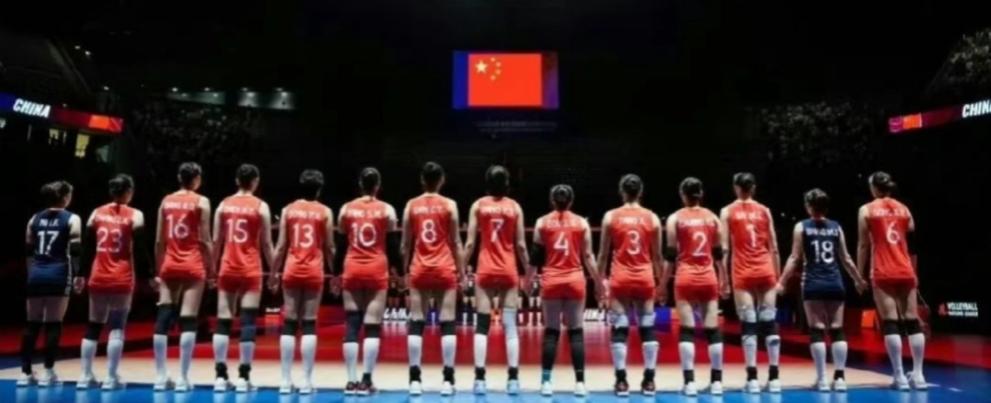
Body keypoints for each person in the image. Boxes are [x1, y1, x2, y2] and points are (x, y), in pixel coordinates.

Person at [778, 189, 868, 391]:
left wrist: (782, 282)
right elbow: (846, 259)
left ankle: (822, 379)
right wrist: (858, 280)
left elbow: (794, 258)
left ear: (809, 206)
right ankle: (840, 378)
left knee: (816, 330)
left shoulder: (801, 227)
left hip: (813, 284)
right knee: (837, 329)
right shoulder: (836, 227)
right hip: (835, 283)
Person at [77, 174, 152, 390]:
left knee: (93, 325)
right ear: (128, 191)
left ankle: (85, 376)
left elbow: (87, 248)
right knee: (117, 327)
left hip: (98, 276)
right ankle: (111, 377)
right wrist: (149, 275)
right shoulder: (135, 215)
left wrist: (80, 274)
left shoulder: (96, 213)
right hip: (121, 277)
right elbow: (140, 249)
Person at [463, 165, 531, 395]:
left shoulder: (478, 205)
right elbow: (521, 245)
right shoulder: (514, 207)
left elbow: (470, 243)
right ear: (507, 183)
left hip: (485, 270)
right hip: (508, 270)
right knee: (510, 326)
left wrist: (461, 269)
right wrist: (529, 271)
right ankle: (513, 379)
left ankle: (480, 379)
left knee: (482, 326)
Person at [597, 174, 665, 397]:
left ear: (622, 192)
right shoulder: (652, 218)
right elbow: (657, 256)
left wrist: (599, 282)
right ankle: (649, 381)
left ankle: (621, 382)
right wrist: (662, 284)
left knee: (620, 329)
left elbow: (603, 255)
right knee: (647, 328)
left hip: (620, 279)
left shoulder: (610, 217)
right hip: (644, 278)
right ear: (640, 192)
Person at [857, 171, 926, 390]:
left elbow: (863, 245)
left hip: (882, 270)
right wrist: (914, 271)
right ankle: (919, 375)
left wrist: (859, 274)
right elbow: (912, 241)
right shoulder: (905, 209)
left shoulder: (866, 210)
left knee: (890, 322)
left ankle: (899, 377)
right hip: (905, 269)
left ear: (874, 188)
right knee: (912, 321)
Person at [401, 162, 466, 396]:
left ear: (422, 179)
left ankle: (414, 380)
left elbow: (405, 244)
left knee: (416, 322)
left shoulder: (411, 205)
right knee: (447, 322)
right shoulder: (450, 205)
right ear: (442, 180)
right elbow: (456, 242)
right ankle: (448, 380)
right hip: (444, 268)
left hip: (419, 268)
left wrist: (404, 271)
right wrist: (462, 272)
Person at [212, 164, 276, 393]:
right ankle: (243, 377)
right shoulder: (261, 206)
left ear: (237, 180)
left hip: (227, 267)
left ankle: (220, 377)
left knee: (223, 321)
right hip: (251, 269)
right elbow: (267, 243)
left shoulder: (223, 205)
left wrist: (212, 269)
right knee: (248, 322)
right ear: (255, 181)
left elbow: (216, 241)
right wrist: (274, 271)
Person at [664, 177, 730, 396]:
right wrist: (724, 279)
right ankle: (717, 382)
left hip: (685, 278)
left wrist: (662, 284)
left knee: (687, 330)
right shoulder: (713, 218)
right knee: (712, 330)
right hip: (708, 278)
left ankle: (690, 383)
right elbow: (719, 254)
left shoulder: (675, 218)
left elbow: (670, 255)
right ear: (701, 194)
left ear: (682, 194)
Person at [337, 167, 400, 395]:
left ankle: (350, 381)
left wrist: (336, 273)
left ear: (360, 184)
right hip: (376, 269)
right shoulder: (387, 210)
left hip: (352, 267)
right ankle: (366, 381)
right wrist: (399, 272)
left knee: (352, 324)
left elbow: (341, 244)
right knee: (372, 326)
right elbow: (392, 246)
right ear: (378, 186)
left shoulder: (346, 209)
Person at [533, 184, 600, 397]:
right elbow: (588, 256)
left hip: (551, 280)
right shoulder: (581, 223)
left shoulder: (542, 222)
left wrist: (527, 279)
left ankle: (546, 383)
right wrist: (599, 282)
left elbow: (535, 257)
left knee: (551, 332)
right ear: (571, 201)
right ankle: (580, 383)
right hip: (574, 280)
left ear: (552, 201)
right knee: (576, 332)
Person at [272, 169, 335, 394]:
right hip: (314, 271)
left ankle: (285, 381)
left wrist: (273, 272)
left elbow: (281, 246)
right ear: (319, 189)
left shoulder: (288, 210)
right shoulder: (325, 211)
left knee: (289, 323)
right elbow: (329, 247)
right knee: (309, 323)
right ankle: (306, 381)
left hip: (291, 270)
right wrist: (334, 272)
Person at [719, 172, 782, 393]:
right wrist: (777, 277)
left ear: (736, 187)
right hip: (766, 270)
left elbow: (724, 249)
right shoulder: (765, 210)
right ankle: (774, 378)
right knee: (769, 322)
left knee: (748, 323)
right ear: (753, 188)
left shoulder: (727, 211)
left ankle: (753, 379)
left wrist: (723, 279)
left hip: (743, 272)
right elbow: (774, 247)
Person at [153, 162, 212, 392]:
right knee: (188, 319)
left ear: (179, 178)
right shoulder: (202, 201)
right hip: (193, 264)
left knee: (163, 317)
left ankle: (160, 377)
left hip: (169, 264)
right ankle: (183, 378)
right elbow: (205, 240)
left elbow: (159, 241)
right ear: (196, 178)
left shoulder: (166, 201)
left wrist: (159, 269)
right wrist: (212, 268)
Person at [19, 181, 82, 387]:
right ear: (64, 197)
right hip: (59, 273)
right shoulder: (72, 218)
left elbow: (29, 251)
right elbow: (75, 251)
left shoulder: (34, 218)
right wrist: (78, 275)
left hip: (36, 273)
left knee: (32, 324)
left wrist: (32, 273)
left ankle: (25, 373)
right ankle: (48, 371)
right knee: (54, 323)